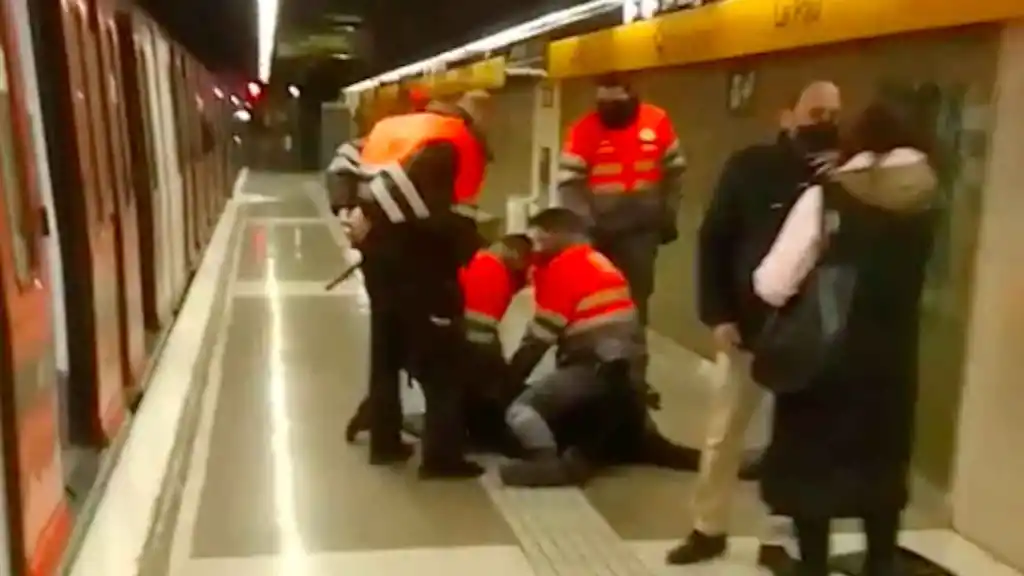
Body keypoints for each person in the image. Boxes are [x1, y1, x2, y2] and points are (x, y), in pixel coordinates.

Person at [753, 101, 937, 576]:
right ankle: (879, 562)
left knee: (812, 472)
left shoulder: (827, 197)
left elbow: (774, 281)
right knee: (881, 465)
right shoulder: (929, 196)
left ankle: (812, 566)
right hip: (893, 359)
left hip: (825, 358)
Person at [666, 81, 842, 570]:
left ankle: (777, 538)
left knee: (794, 439)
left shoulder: (846, 176)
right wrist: (718, 315)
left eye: (833, 112)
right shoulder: (750, 168)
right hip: (748, 326)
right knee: (725, 432)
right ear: (788, 116)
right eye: (815, 111)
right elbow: (714, 241)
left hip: (812, 332)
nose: (824, 121)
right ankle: (708, 528)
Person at [357, 90, 493, 479]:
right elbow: (427, 211)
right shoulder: (447, 144)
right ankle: (441, 458)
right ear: (468, 113)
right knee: (442, 358)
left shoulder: (395, 129)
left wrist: (361, 218)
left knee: (385, 353)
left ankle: (384, 444)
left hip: (377, 258)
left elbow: (355, 175)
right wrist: (471, 239)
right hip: (419, 262)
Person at [498, 207, 657, 486]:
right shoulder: (598, 261)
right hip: (626, 373)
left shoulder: (564, 268)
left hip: (593, 367)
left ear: (557, 235)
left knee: (521, 411)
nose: (533, 250)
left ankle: (545, 463)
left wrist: (507, 382)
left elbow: (538, 338)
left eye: (538, 239)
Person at [556, 73, 686, 396]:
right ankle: (585, 374)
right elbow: (570, 185)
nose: (607, 106)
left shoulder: (657, 122)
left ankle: (633, 380)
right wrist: (584, 231)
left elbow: (675, 172)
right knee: (589, 306)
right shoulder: (583, 130)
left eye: (613, 98)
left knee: (634, 308)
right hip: (598, 234)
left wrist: (667, 216)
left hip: (640, 232)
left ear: (630, 93)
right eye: (602, 99)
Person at [344, 233, 534, 451]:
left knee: (397, 375)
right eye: (523, 262)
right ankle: (445, 449)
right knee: (447, 391)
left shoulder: (475, 260)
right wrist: (502, 371)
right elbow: (481, 329)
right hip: (450, 339)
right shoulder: (494, 271)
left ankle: (374, 414)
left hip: (417, 328)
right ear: (513, 252)